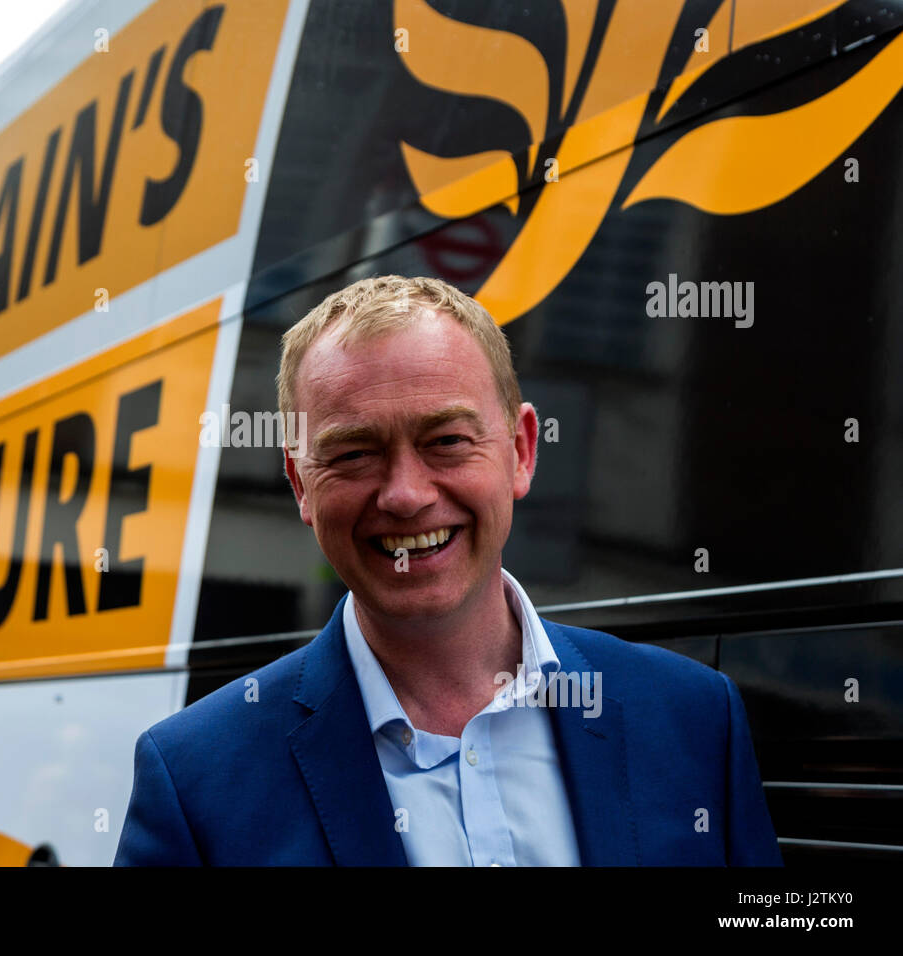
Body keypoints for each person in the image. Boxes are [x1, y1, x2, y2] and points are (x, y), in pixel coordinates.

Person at [114, 275, 782, 866]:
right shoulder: (194, 781)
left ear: (521, 451)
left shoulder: (693, 719)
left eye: (447, 441)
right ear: (300, 485)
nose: (404, 494)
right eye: (352, 453)